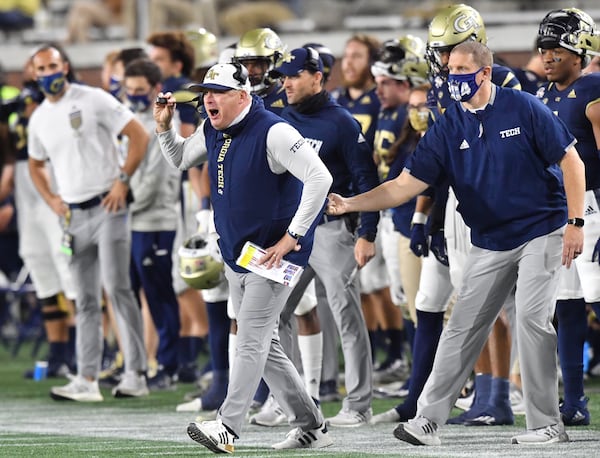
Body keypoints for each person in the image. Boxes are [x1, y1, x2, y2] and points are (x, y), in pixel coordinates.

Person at [327, 40, 585, 445]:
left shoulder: (523, 106)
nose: (455, 77)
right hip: (490, 237)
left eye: (464, 69)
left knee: (532, 320)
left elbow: (572, 160)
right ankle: (428, 421)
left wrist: (576, 222)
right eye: (451, 70)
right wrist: (350, 204)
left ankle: (547, 425)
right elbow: (402, 187)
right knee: (462, 327)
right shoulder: (447, 126)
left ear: (485, 72)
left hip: (542, 228)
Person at [154, 62, 333, 452]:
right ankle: (311, 423)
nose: (209, 99)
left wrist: (292, 237)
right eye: (206, 92)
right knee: (264, 346)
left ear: (242, 95)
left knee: (249, 341)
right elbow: (181, 159)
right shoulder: (213, 128)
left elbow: (320, 178)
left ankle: (228, 426)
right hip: (240, 254)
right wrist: (165, 127)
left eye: (217, 92)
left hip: (274, 256)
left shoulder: (275, 130)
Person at [28, 44, 150, 402]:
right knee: (83, 298)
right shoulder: (38, 119)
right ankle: (87, 378)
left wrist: (122, 180)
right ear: (35, 73)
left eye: (54, 65)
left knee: (117, 288)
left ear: (65, 66)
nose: (49, 72)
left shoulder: (93, 98)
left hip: (107, 205)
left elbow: (138, 135)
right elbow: (36, 164)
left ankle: (135, 373)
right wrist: (51, 199)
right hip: (73, 214)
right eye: (42, 68)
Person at [271, 46, 380, 427]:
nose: (286, 82)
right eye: (283, 76)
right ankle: (288, 401)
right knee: (276, 312)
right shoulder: (279, 119)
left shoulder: (342, 123)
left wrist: (368, 232)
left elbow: (367, 180)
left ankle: (359, 404)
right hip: (294, 236)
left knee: (346, 315)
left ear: (317, 77)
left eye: (294, 75)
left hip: (334, 234)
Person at [536, 7, 600, 427]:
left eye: (556, 47)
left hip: (593, 207)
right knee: (567, 305)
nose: (546, 55)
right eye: (542, 48)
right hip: (562, 211)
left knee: (597, 299)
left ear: (579, 50)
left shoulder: (593, 91)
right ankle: (574, 400)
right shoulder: (544, 97)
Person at [147, 30, 208, 387]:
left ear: (177, 62)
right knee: (178, 275)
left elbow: (185, 143)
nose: (155, 67)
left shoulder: (179, 88)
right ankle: (188, 355)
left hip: (184, 190)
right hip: (175, 190)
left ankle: (194, 351)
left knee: (187, 273)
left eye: (159, 60)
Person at [123, 57, 183, 395]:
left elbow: (155, 179)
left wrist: (120, 200)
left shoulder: (160, 124)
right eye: (128, 89)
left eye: (139, 91)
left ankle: (170, 364)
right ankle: (146, 362)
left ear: (155, 90)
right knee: (137, 293)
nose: (132, 95)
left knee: (160, 296)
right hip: (132, 221)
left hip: (155, 220)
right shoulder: (128, 120)